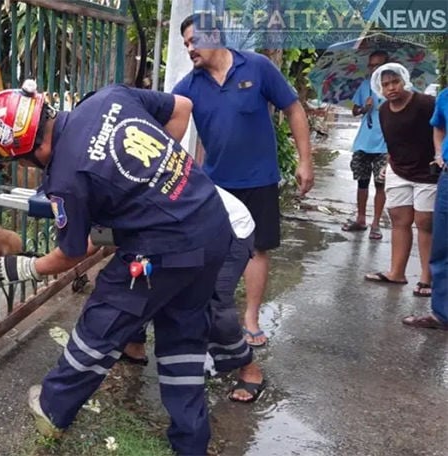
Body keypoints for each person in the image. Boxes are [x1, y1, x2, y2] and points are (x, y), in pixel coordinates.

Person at [0, 79, 234, 455]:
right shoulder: (108, 97)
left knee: (102, 323)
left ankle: (52, 407)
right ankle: (191, 443)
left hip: (162, 249)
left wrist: (26, 267)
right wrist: (152, 186)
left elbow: (72, 252)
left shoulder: (66, 177)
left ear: (29, 151)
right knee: (184, 333)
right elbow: (182, 107)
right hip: (210, 222)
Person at [172, 13, 315, 347]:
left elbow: (294, 109)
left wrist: (305, 161)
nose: (190, 49)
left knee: (257, 249)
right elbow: (165, 122)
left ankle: (250, 317)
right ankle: (208, 316)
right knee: (209, 251)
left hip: (258, 179)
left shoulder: (257, 67)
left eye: (194, 41)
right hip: (216, 184)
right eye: (186, 45)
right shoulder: (189, 86)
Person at [122, 185, 265, 402]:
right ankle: (134, 345)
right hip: (179, 231)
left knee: (214, 304)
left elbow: (88, 245)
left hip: (229, 228)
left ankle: (249, 368)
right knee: (140, 281)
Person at [364, 63, 437, 299]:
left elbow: (441, 130)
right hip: (398, 169)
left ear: (404, 80)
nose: (391, 88)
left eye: (395, 82)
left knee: (425, 221)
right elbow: (393, 142)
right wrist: (388, 164)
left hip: (428, 172)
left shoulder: (426, 104)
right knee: (399, 219)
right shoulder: (384, 110)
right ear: (379, 88)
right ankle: (397, 272)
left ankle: (427, 278)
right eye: (385, 85)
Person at [402, 86, 448, 330]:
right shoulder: (445, 97)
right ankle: (442, 313)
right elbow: (438, 126)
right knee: (442, 247)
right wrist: (439, 152)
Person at [341, 51, 390, 240]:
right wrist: (364, 108)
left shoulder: (392, 87)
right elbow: (355, 111)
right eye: (371, 65)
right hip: (364, 142)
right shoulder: (365, 85)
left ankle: (376, 224)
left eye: (378, 65)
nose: (373, 69)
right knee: (362, 182)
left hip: (385, 144)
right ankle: (361, 219)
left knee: (380, 184)